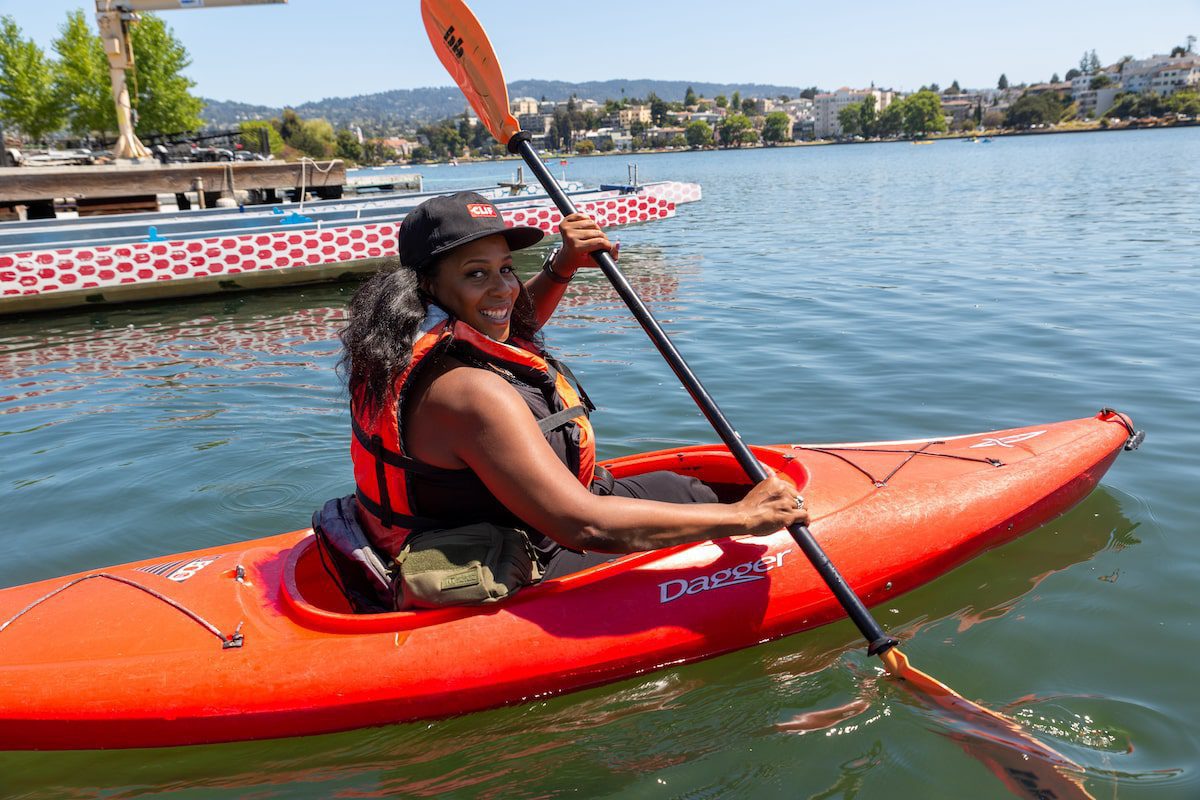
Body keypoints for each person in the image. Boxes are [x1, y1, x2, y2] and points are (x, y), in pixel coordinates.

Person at [339, 191, 807, 582]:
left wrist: (562, 265)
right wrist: (745, 518)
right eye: (475, 273)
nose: (504, 288)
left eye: (506, 268)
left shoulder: (396, 344)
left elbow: (508, 327)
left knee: (684, 489)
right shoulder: (469, 395)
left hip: (503, 524)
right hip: (507, 555)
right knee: (706, 521)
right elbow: (582, 525)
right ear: (427, 286)